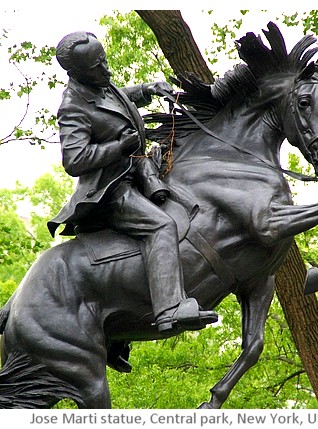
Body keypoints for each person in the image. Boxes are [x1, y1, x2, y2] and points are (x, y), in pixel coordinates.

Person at [47, 32, 218, 342]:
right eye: (98, 67)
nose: (107, 70)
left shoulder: (98, 84)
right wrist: (117, 146)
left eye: (104, 61)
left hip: (137, 171)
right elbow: (74, 159)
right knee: (162, 226)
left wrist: (148, 89)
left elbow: (116, 99)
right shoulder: (72, 107)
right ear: (78, 73)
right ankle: (169, 310)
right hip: (111, 190)